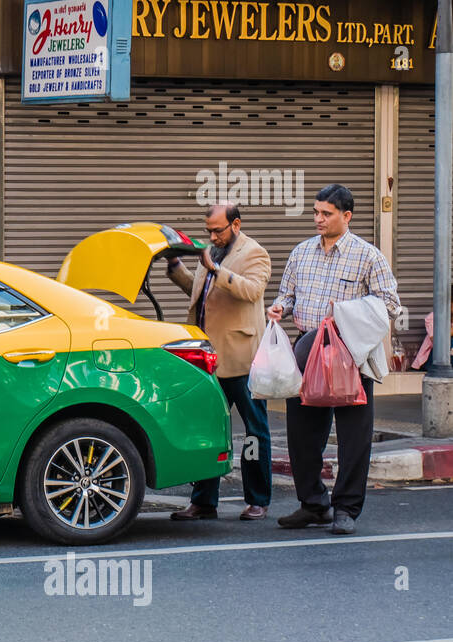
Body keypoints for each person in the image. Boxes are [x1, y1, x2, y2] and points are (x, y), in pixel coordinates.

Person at [268, 184, 401, 535]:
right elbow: (289, 293)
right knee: (301, 435)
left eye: (326, 214)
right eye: (315, 212)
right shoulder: (301, 252)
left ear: (347, 216)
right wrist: (281, 306)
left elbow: (390, 305)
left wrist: (345, 314)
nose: (318, 219)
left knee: (353, 436)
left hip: (349, 355)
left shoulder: (368, 256)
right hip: (307, 351)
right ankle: (313, 504)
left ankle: (346, 510)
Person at [166, 202, 273, 522]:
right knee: (208, 430)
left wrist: (214, 268)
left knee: (254, 432)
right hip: (208, 358)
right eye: (208, 231)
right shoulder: (212, 253)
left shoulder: (255, 253)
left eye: (218, 230)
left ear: (236, 224)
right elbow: (201, 294)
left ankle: (257, 499)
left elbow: (252, 291)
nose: (212, 236)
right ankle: (203, 502)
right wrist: (176, 269)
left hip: (241, 356)